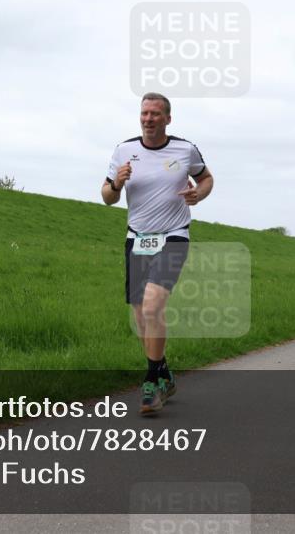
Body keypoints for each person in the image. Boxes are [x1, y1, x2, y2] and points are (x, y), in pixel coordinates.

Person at [101, 92, 213, 415]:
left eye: (155, 114)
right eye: (144, 113)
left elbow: (206, 178)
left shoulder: (185, 148)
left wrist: (199, 194)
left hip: (173, 237)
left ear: (167, 118)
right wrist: (117, 185)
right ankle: (163, 372)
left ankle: (150, 384)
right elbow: (107, 196)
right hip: (137, 238)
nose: (148, 119)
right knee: (140, 317)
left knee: (152, 305)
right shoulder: (124, 150)